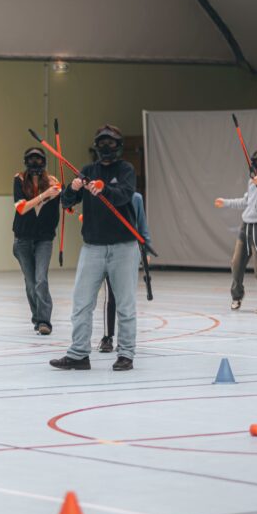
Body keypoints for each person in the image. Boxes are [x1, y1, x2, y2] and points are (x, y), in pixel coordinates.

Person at [50, 124, 140, 371]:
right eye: (102, 143)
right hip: (92, 248)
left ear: (119, 146)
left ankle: (126, 354)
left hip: (124, 247)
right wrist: (73, 188)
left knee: (125, 303)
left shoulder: (126, 170)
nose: (106, 147)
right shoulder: (87, 171)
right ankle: (79, 354)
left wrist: (103, 189)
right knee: (81, 302)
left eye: (111, 143)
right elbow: (67, 203)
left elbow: (123, 195)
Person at [215, 148, 257, 313]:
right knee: (236, 263)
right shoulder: (252, 181)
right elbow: (246, 201)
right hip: (247, 225)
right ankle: (237, 296)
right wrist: (226, 202)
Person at [12, 147, 62, 335]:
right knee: (31, 283)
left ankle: (44, 321)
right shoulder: (19, 180)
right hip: (23, 239)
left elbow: (64, 203)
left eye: (39, 159)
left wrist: (60, 193)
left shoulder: (52, 182)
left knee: (41, 280)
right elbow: (21, 208)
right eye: (32, 159)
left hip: (44, 239)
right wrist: (44, 195)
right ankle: (37, 317)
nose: (35, 163)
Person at [99, 191, 151, 352]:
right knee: (110, 296)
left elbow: (142, 225)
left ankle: (125, 341)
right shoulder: (102, 195)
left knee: (126, 298)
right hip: (107, 250)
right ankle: (107, 337)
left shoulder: (136, 198)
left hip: (129, 252)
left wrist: (146, 250)